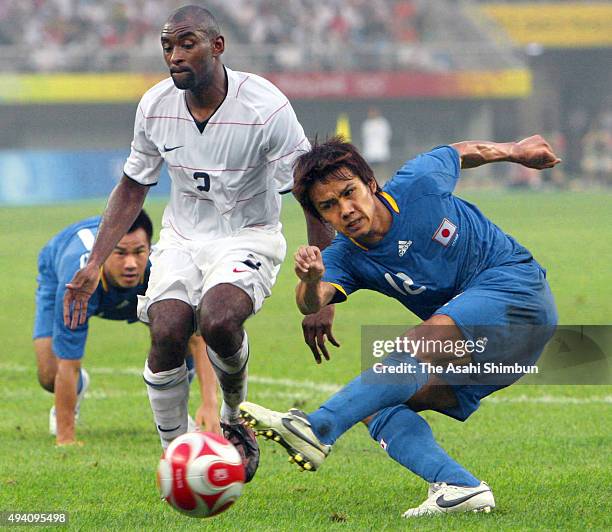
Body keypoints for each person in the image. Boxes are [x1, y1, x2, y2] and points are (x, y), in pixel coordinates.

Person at [63, 6, 333, 482]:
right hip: (183, 238)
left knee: (219, 319)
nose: (174, 56)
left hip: (249, 234)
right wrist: (94, 263)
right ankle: (177, 455)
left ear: (218, 46)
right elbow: (133, 184)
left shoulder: (265, 106)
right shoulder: (154, 106)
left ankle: (233, 419)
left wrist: (323, 291)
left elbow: (311, 190)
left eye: (187, 44)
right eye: (167, 47)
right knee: (166, 327)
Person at [240, 135, 561, 516]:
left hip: (517, 293)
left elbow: (460, 152)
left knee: (426, 337)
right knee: (376, 405)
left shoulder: (418, 182)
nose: (346, 209)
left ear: (370, 183)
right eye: (329, 206)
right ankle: (458, 486)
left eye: (349, 193)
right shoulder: (344, 255)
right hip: (498, 354)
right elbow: (311, 301)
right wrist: (309, 280)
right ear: (322, 217)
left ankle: (318, 427)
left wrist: (515, 151)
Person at [35, 211, 219, 446]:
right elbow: (68, 363)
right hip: (61, 269)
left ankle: (170, 412)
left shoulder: (162, 270)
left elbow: (197, 339)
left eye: (139, 252)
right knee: (50, 373)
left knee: (178, 331)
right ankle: (73, 395)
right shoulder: (76, 282)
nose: (130, 264)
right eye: (120, 253)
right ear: (104, 252)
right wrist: (66, 439)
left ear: (149, 250)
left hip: (140, 292)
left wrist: (210, 405)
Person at [361, 106, 392, 183]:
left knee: (382, 168)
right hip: (370, 151)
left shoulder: (382, 123)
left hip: (381, 150)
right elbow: (364, 137)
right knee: (371, 169)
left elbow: (387, 135)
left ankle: (383, 181)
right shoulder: (367, 124)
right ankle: (372, 181)